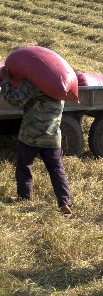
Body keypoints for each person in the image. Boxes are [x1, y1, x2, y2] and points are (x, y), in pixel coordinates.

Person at [0, 67, 73, 215]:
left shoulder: (34, 84)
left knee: (24, 167)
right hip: (52, 137)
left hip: (30, 136)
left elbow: (14, 99)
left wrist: (6, 81)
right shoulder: (60, 87)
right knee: (56, 170)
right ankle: (64, 202)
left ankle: (24, 197)